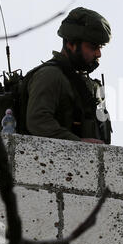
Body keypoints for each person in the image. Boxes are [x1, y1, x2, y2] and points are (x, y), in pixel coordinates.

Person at [23, 7, 112, 144]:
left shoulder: (89, 87)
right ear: (71, 44)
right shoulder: (50, 75)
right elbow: (38, 120)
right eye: (93, 47)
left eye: (100, 47)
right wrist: (77, 143)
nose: (98, 54)